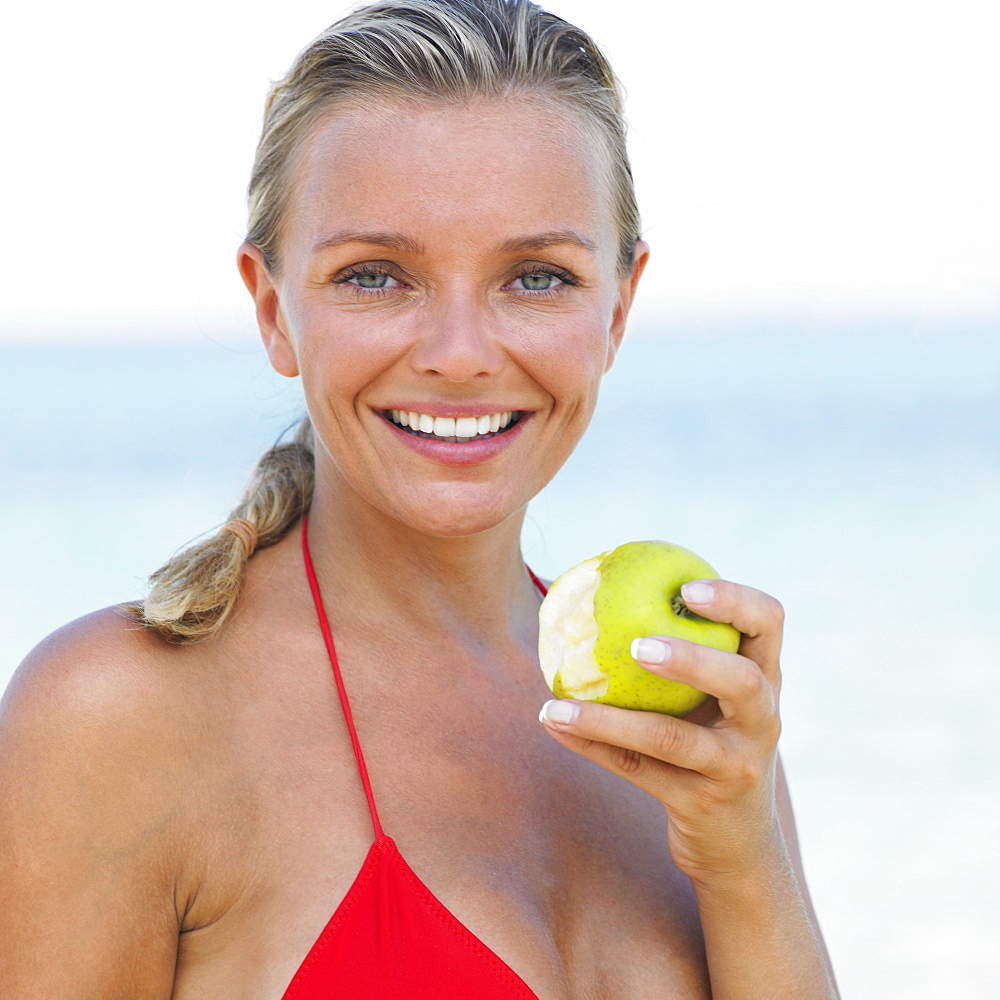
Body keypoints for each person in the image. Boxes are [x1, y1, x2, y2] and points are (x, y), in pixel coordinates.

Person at [0, 1, 839, 996]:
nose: (458, 355)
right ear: (275, 312)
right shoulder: (117, 717)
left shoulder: (688, 723)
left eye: (535, 277)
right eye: (375, 276)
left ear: (616, 307)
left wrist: (744, 855)